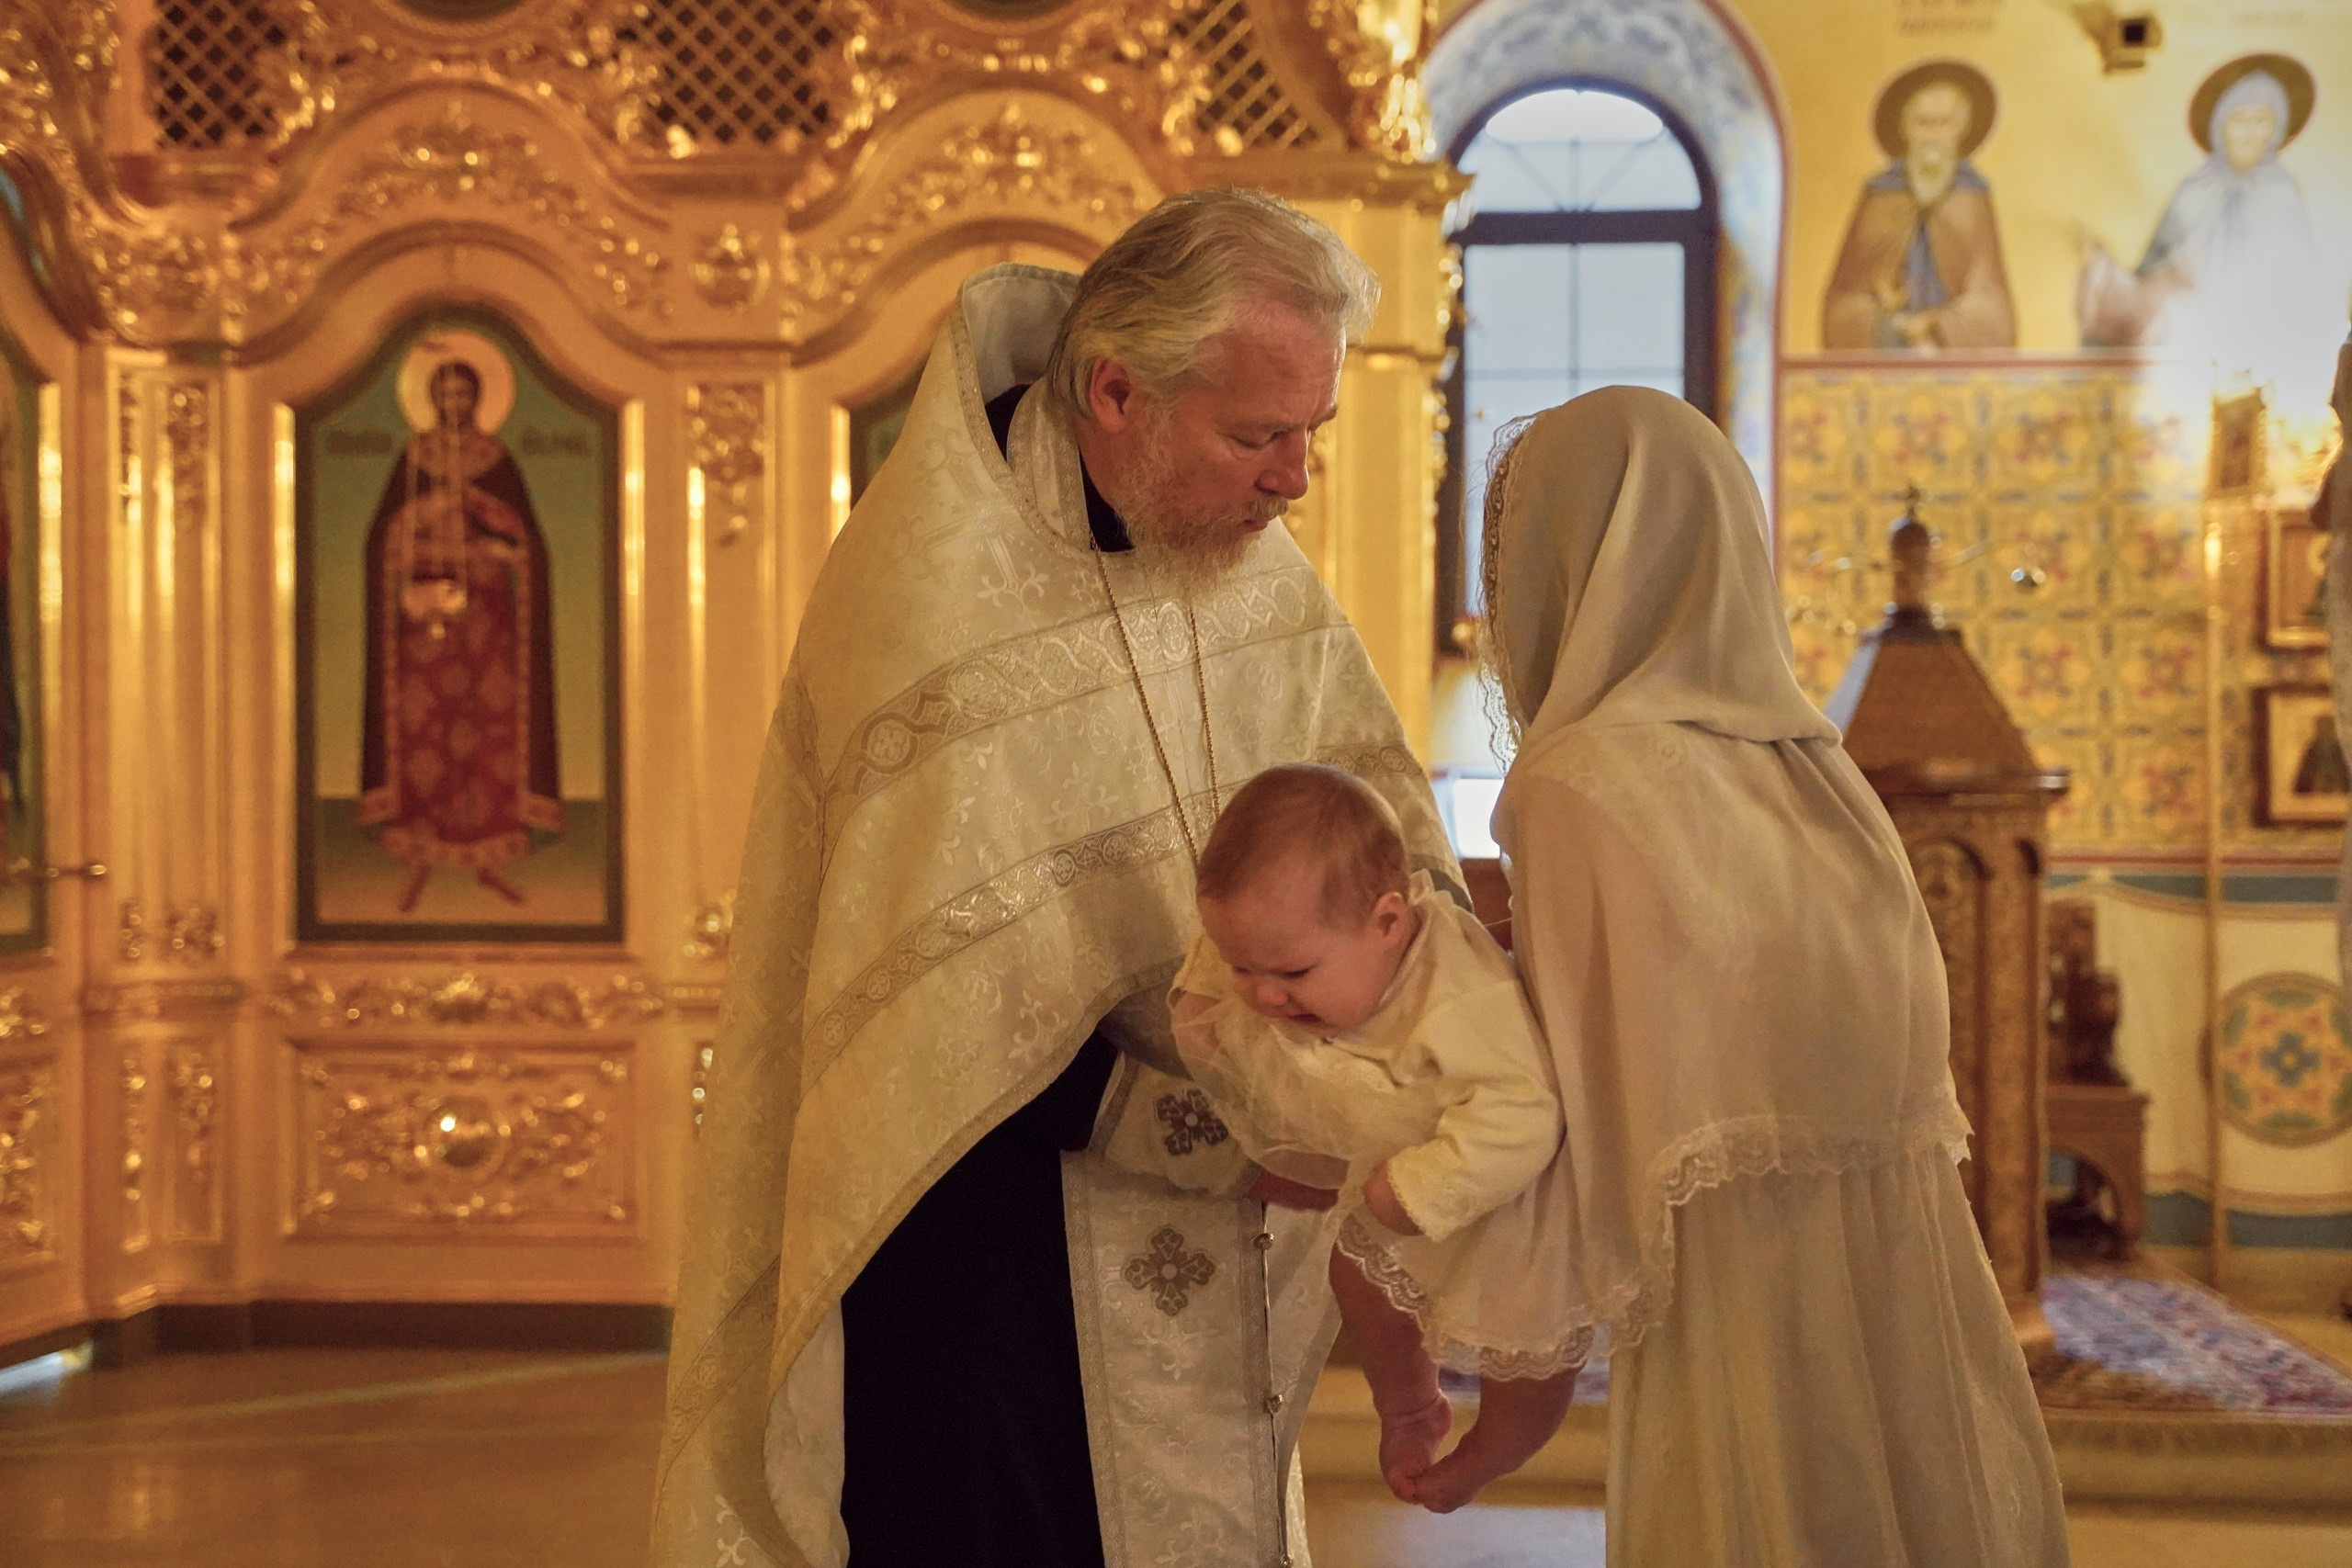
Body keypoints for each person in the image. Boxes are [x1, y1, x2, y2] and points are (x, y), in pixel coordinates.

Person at [650, 191, 1462, 1568]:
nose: (1293, 481)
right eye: (1258, 436)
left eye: (1310, 432)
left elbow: (1379, 825)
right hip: (992, 1264)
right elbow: (922, 1017)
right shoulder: (928, 600)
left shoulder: (1258, 578)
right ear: (1118, 393)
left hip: (1226, 1261)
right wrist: (1229, 1129)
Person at [1481, 386, 2070, 1565]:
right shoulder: (1817, 767)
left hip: (1729, 1319)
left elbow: (1558, 1131)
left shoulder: (1574, 782)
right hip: (1907, 1303)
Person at [1168, 763, 1575, 1512]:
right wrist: (1208, 992)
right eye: (1241, 966)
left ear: (1389, 922)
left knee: (1527, 1344)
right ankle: (1411, 1407)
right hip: (1404, 1153)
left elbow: (1527, 1113)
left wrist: (1417, 1190)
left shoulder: (1462, 999)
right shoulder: (1305, 945)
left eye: (1292, 971)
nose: (1263, 993)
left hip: (1508, 1190)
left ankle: (1497, 1447)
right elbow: (1243, 946)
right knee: (1356, 1275)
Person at [357, 357, 560, 912]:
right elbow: (383, 544)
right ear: (431, 399)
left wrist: (496, 536)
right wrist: (430, 511)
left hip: (488, 626)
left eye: (463, 394)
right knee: (425, 731)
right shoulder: (414, 459)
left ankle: (489, 859)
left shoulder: (496, 460)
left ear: (476, 398)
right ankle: (421, 856)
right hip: (426, 625)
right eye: (445, 394)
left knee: (488, 732)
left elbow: (527, 546)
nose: (454, 404)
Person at [2076, 54, 2324, 394]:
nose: (2250, 133)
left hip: (2263, 328)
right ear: (2219, 128)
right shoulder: (2193, 191)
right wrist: (2107, 274)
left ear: (2277, 130)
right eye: (2240, 120)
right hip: (2188, 327)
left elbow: (2298, 280)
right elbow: (2152, 272)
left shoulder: (2282, 193)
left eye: (2262, 121)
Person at [1823, 62, 2016, 351]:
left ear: (1962, 130)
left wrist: (1938, 324)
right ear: (1904, 129)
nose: (1934, 136)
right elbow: (1842, 303)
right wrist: (1887, 321)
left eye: (1945, 123)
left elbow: (1991, 303)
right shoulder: (1880, 195)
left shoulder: (1972, 196)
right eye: (1924, 123)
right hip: (1888, 349)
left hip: (1948, 354)